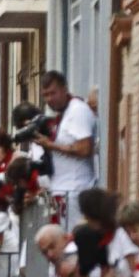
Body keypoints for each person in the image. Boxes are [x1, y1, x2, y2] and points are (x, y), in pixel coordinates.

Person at [35, 71, 97, 229]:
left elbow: (85, 148)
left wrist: (51, 145)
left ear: (64, 89)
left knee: (74, 236)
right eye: (45, 95)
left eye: (53, 93)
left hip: (75, 190)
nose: (49, 99)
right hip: (63, 191)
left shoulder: (77, 111)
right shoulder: (63, 114)